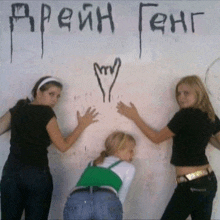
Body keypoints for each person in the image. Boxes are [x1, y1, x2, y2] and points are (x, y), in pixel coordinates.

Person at [116, 75, 220, 220]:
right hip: (208, 182)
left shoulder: (183, 116)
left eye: (186, 93)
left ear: (198, 92)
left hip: (191, 185)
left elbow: (156, 138)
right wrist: (206, 134)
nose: (181, 97)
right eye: (178, 93)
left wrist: (135, 117)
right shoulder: (211, 116)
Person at [0, 76, 98, 220]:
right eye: (51, 94)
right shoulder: (46, 113)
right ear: (38, 92)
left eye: (58, 96)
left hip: (11, 174)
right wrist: (81, 125)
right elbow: (63, 146)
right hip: (36, 176)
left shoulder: (17, 109)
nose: (55, 100)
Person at [63, 131, 136, 220]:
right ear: (118, 150)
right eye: (131, 150)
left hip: (77, 199)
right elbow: (120, 199)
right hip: (105, 200)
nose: (133, 154)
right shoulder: (129, 167)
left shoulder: (92, 163)